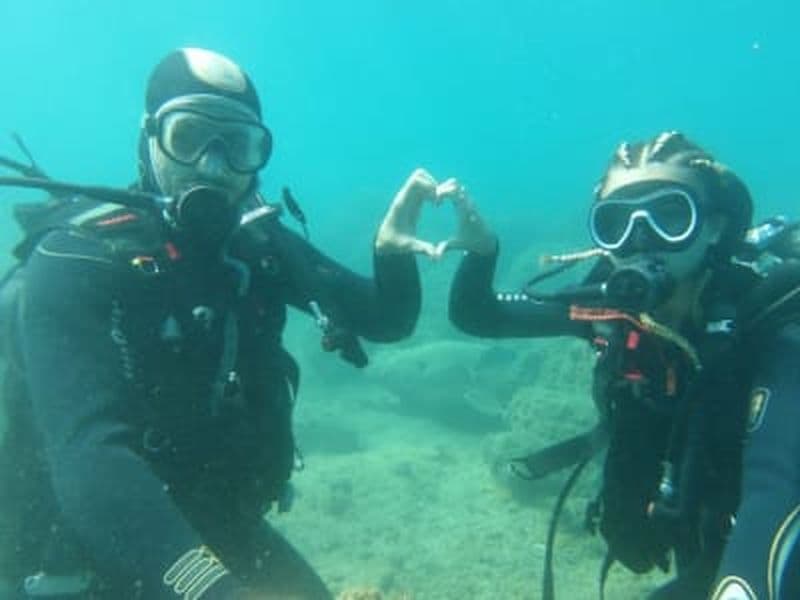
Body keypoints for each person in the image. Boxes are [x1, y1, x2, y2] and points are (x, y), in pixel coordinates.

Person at [0, 47, 455, 599]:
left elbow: (385, 320)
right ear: (148, 137)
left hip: (215, 525)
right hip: (79, 561)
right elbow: (92, 462)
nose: (214, 167)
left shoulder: (255, 246)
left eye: (239, 146)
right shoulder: (77, 260)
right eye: (189, 137)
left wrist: (391, 255)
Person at [444, 131, 800, 599]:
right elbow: (479, 314)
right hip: (709, 535)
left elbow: (775, 482)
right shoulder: (611, 310)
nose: (642, 241)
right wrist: (482, 251)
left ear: (713, 226)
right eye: (616, 224)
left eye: (671, 215)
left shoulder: (772, 319)